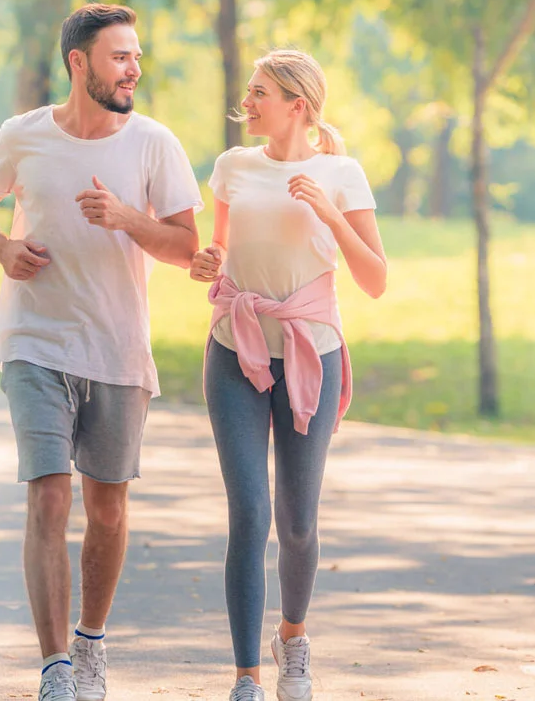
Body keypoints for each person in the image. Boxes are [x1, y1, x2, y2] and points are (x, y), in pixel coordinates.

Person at [0, 2, 203, 701]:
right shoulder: (23, 135)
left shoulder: (154, 143)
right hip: (33, 341)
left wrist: (126, 218)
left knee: (109, 509)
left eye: (136, 57)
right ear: (79, 63)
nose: (134, 69)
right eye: (120, 56)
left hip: (118, 348)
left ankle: (91, 643)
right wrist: (2, 246)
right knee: (49, 497)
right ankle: (56, 667)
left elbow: (188, 248)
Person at [187, 48, 388, 701]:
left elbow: (375, 280)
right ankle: (246, 676)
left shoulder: (342, 172)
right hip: (236, 349)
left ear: (296, 105)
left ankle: (292, 643)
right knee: (249, 512)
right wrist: (206, 263)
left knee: (297, 520)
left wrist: (329, 213)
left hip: (312, 352)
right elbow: (216, 256)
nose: (248, 101)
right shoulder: (232, 167)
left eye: (260, 92)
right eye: (249, 90)